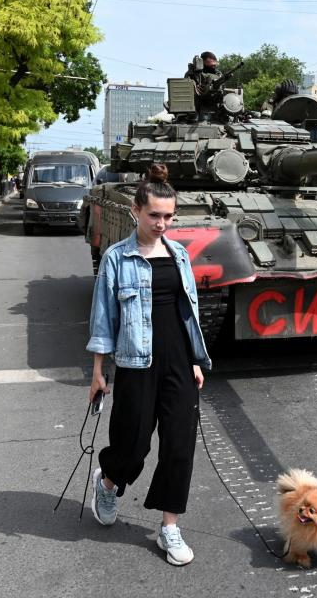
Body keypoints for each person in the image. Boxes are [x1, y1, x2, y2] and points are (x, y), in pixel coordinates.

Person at [86, 163, 212, 567]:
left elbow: (186, 311)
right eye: (154, 215)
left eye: (168, 216)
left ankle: (169, 526)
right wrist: (98, 370)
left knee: (179, 445)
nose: (162, 223)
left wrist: (194, 359)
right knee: (132, 444)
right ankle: (108, 483)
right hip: (136, 361)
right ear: (136, 211)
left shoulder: (178, 255)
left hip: (177, 360)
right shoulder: (116, 259)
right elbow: (103, 319)